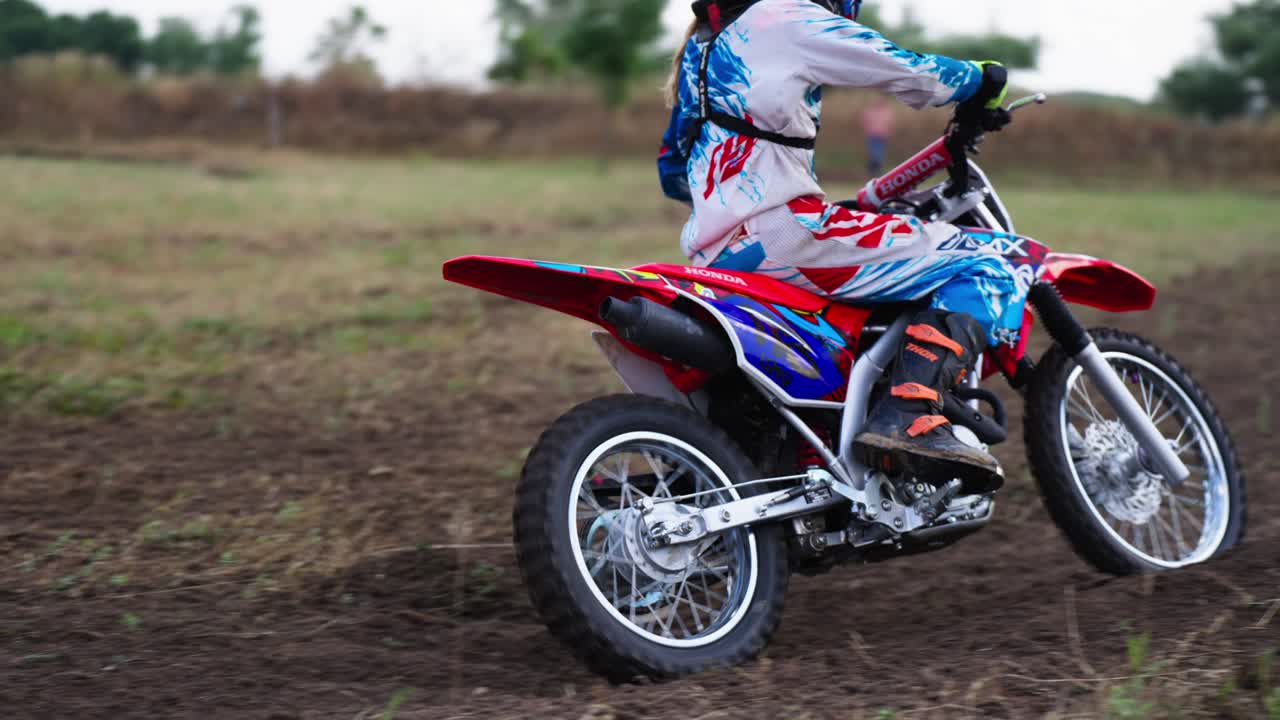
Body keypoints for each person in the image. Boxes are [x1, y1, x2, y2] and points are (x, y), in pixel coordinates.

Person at [656, 0, 1030, 489]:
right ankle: (910, 415)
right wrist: (982, 77)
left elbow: (672, 171)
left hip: (716, 251)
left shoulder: (702, 50)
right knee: (988, 261)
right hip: (784, 234)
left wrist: (739, 191)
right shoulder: (783, 17)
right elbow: (910, 71)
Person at [862, 95, 895, 175]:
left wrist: (889, 132)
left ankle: (874, 169)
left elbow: (890, 124)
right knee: (875, 153)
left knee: (878, 153)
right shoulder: (871, 111)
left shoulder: (887, 112)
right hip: (872, 135)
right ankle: (876, 169)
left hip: (882, 136)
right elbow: (865, 122)